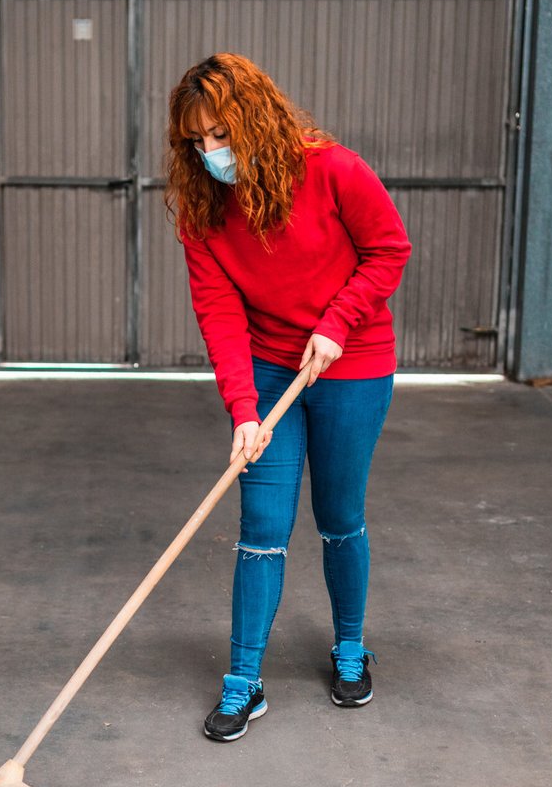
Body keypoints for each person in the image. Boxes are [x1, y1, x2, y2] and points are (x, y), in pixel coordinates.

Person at [165, 53, 411, 742]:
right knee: (262, 526)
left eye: (221, 133)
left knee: (338, 514)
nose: (211, 151)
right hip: (273, 369)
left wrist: (337, 325)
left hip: (353, 362)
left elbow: (389, 249)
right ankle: (244, 680)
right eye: (196, 141)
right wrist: (243, 410)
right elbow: (218, 312)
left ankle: (351, 648)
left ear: (254, 118)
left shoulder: (333, 170)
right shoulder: (205, 210)